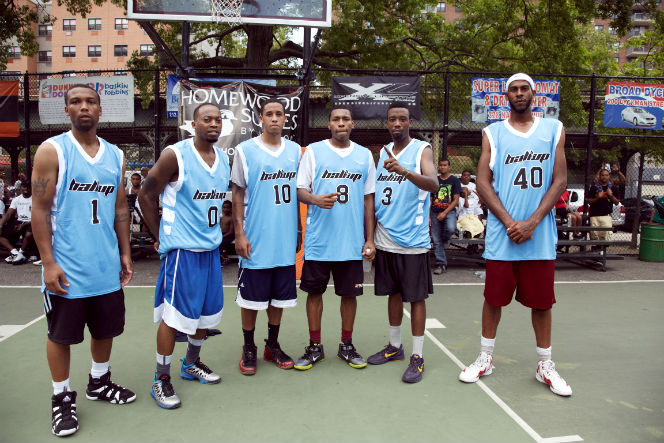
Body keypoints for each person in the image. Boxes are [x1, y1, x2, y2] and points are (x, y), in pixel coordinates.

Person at [30, 84, 136, 437]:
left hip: (105, 265)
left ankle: (99, 381)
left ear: (100, 110)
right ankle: (61, 398)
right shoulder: (52, 151)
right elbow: (40, 210)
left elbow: (120, 207)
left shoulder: (116, 155)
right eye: (76, 102)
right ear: (67, 110)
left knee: (106, 330)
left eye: (91, 101)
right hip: (67, 267)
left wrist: (124, 252)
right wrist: (47, 262)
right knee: (61, 336)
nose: (84, 107)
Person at [458, 73, 572, 397]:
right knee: (493, 299)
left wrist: (532, 222)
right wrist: (511, 223)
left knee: (542, 303)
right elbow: (483, 183)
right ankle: (485, 357)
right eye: (513, 89)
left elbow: (560, 180)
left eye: (524, 89)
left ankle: (544, 365)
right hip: (502, 236)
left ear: (534, 94)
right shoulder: (492, 133)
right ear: (505, 95)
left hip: (539, 235)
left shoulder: (553, 129)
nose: (519, 93)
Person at [139, 102, 230, 409]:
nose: (214, 124)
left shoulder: (223, 160)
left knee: (205, 316)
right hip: (182, 252)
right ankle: (160, 379)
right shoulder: (175, 155)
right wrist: (158, 237)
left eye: (218, 120)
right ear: (194, 124)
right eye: (207, 119)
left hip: (209, 250)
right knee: (173, 317)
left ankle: (191, 364)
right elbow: (145, 194)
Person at [293, 105, 376, 371]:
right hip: (319, 241)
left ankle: (346, 345)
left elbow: (368, 199)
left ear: (353, 125)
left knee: (348, 296)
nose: (341, 123)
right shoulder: (314, 151)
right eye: (336, 119)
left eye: (346, 119)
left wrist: (369, 239)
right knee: (314, 293)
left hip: (351, 243)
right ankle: (315, 346)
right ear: (328, 124)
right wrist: (315, 199)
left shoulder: (364, 156)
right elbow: (300, 190)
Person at [366, 101, 439, 384]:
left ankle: (417, 356)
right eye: (392, 119)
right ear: (387, 123)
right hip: (385, 239)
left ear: (410, 122)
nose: (397, 124)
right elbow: (373, 197)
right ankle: (395, 347)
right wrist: (370, 237)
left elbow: (433, 184)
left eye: (402, 119)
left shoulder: (422, 149)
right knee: (393, 294)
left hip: (412, 240)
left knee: (416, 298)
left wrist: (405, 171)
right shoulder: (382, 154)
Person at [231, 98, 300, 376]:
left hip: (284, 239)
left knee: (278, 299)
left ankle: (272, 344)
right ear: (261, 119)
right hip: (255, 238)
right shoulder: (245, 150)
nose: (274, 118)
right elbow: (237, 193)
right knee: (251, 300)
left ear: (285, 119)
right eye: (269, 114)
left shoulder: (295, 151)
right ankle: (249, 347)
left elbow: (298, 193)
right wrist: (238, 232)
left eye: (279, 114)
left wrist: (298, 230)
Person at [430, 159, 461, 274]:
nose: (442, 167)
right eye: (440, 165)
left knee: (451, 228)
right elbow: (431, 198)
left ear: (449, 167)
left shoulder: (454, 180)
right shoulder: (435, 180)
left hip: (449, 212)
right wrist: (429, 215)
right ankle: (441, 264)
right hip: (434, 212)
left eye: (445, 165)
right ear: (438, 167)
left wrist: (444, 213)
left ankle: (445, 239)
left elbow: (456, 199)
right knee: (436, 240)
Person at [0, 182, 35, 264]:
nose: (26, 189)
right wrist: (0, 225)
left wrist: (24, 225)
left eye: (28, 187)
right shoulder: (17, 199)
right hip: (19, 221)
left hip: (31, 222)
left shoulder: (35, 199)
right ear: (21, 188)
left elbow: (38, 217)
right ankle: (15, 253)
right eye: (24, 187)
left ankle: (21, 253)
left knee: (28, 234)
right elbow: (8, 214)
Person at [587, 168, 619, 241]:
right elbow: (589, 201)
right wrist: (597, 197)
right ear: (600, 176)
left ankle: (602, 251)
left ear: (609, 176)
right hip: (594, 215)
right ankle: (595, 251)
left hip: (606, 216)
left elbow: (616, 202)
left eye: (606, 175)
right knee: (594, 236)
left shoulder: (613, 188)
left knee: (605, 237)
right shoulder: (594, 187)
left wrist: (610, 195)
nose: (604, 177)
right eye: (602, 175)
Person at [220, 200, 234, 264]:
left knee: (224, 242)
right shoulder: (222, 217)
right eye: (224, 207)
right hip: (222, 234)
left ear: (231, 208)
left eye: (227, 207)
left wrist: (223, 236)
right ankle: (220, 257)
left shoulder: (231, 218)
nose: (225, 209)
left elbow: (231, 231)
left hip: (229, 235)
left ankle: (225, 257)